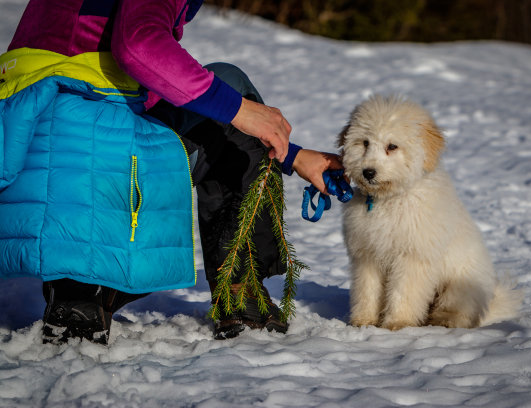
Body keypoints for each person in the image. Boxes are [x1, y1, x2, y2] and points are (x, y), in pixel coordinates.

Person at [0, 0, 342, 344]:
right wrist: (239, 110)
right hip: (92, 172)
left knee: (225, 84)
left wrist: (293, 156)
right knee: (231, 91)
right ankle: (238, 290)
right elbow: (139, 45)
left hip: (41, 168)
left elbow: (143, 93)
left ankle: (85, 289)